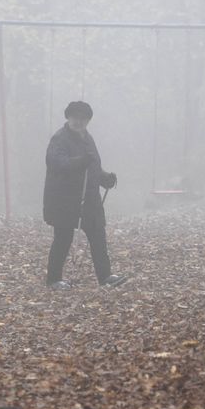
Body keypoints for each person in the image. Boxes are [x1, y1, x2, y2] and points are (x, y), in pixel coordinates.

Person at [42, 100, 126, 290]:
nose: (78, 121)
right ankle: (53, 279)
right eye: (75, 117)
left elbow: (92, 166)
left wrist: (104, 178)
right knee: (63, 237)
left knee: (98, 234)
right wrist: (81, 161)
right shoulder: (59, 139)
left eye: (82, 118)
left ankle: (105, 276)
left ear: (87, 120)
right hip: (63, 199)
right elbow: (58, 164)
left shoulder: (88, 138)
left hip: (88, 198)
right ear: (68, 118)